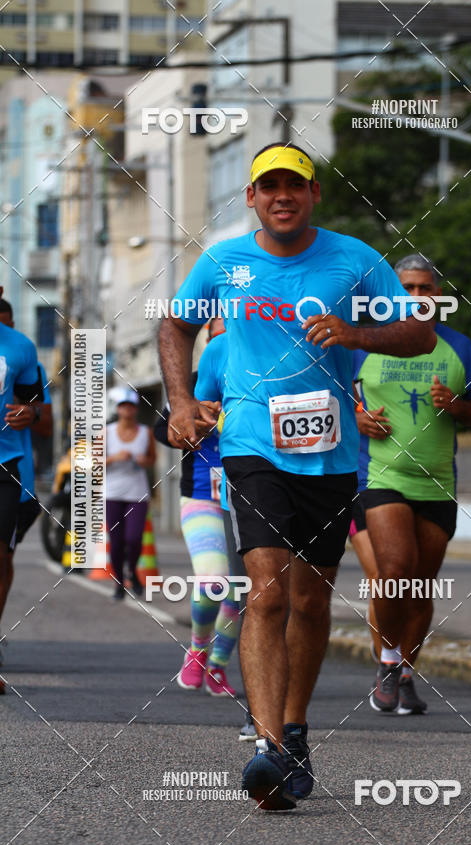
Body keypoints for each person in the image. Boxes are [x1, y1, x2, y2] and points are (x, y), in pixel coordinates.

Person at [158, 144, 436, 810]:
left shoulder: (356, 260)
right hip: (252, 446)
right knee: (267, 593)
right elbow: (174, 324)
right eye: (268, 185)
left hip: (332, 455)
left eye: (295, 184)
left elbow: (420, 336)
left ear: (314, 195)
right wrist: (181, 401)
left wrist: (355, 333)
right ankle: (266, 747)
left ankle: (295, 727)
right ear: (251, 197)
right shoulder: (223, 261)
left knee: (311, 603)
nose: (281, 195)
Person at [354, 254, 471, 714]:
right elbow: (334, 403)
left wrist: (455, 405)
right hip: (379, 476)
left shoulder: (460, 347)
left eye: (423, 288)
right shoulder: (364, 344)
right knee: (393, 574)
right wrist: (358, 419)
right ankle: (388, 662)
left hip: (437, 482)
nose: (415, 297)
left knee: (419, 589)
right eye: (405, 288)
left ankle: (406, 671)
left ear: (437, 296)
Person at [154, 318, 241, 700]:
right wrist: (188, 419)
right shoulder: (189, 380)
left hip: (250, 497)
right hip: (202, 496)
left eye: (231, 328)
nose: (224, 336)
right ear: (207, 337)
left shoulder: (260, 374)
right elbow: (162, 430)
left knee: (242, 592)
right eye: (217, 330)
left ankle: (218, 664)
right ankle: (197, 650)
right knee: (213, 579)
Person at [0, 300, 52, 659]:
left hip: (12, 474)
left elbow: (44, 421)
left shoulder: (21, 351)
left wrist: (29, 412)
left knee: (3, 560)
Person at [106, 387, 156, 601]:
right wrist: (114, 457)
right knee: (116, 541)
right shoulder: (106, 432)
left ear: (135, 409)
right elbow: (93, 462)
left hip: (137, 492)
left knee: (134, 538)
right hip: (112, 493)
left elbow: (152, 458)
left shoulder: (146, 432)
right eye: (123, 406)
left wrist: (144, 461)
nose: (127, 410)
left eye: (131, 406)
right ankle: (119, 582)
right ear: (117, 409)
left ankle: (133, 571)